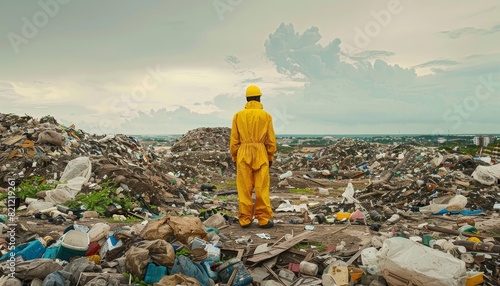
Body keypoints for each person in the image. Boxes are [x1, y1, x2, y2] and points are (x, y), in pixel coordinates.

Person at [230, 85, 277, 228]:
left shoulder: (238, 116)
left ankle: (245, 219)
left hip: (243, 152)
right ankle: (263, 219)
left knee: (244, 188)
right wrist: (270, 157)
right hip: (261, 152)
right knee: (261, 187)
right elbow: (271, 140)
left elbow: (234, 140)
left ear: (247, 98)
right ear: (259, 98)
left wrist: (234, 157)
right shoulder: (266, 116)